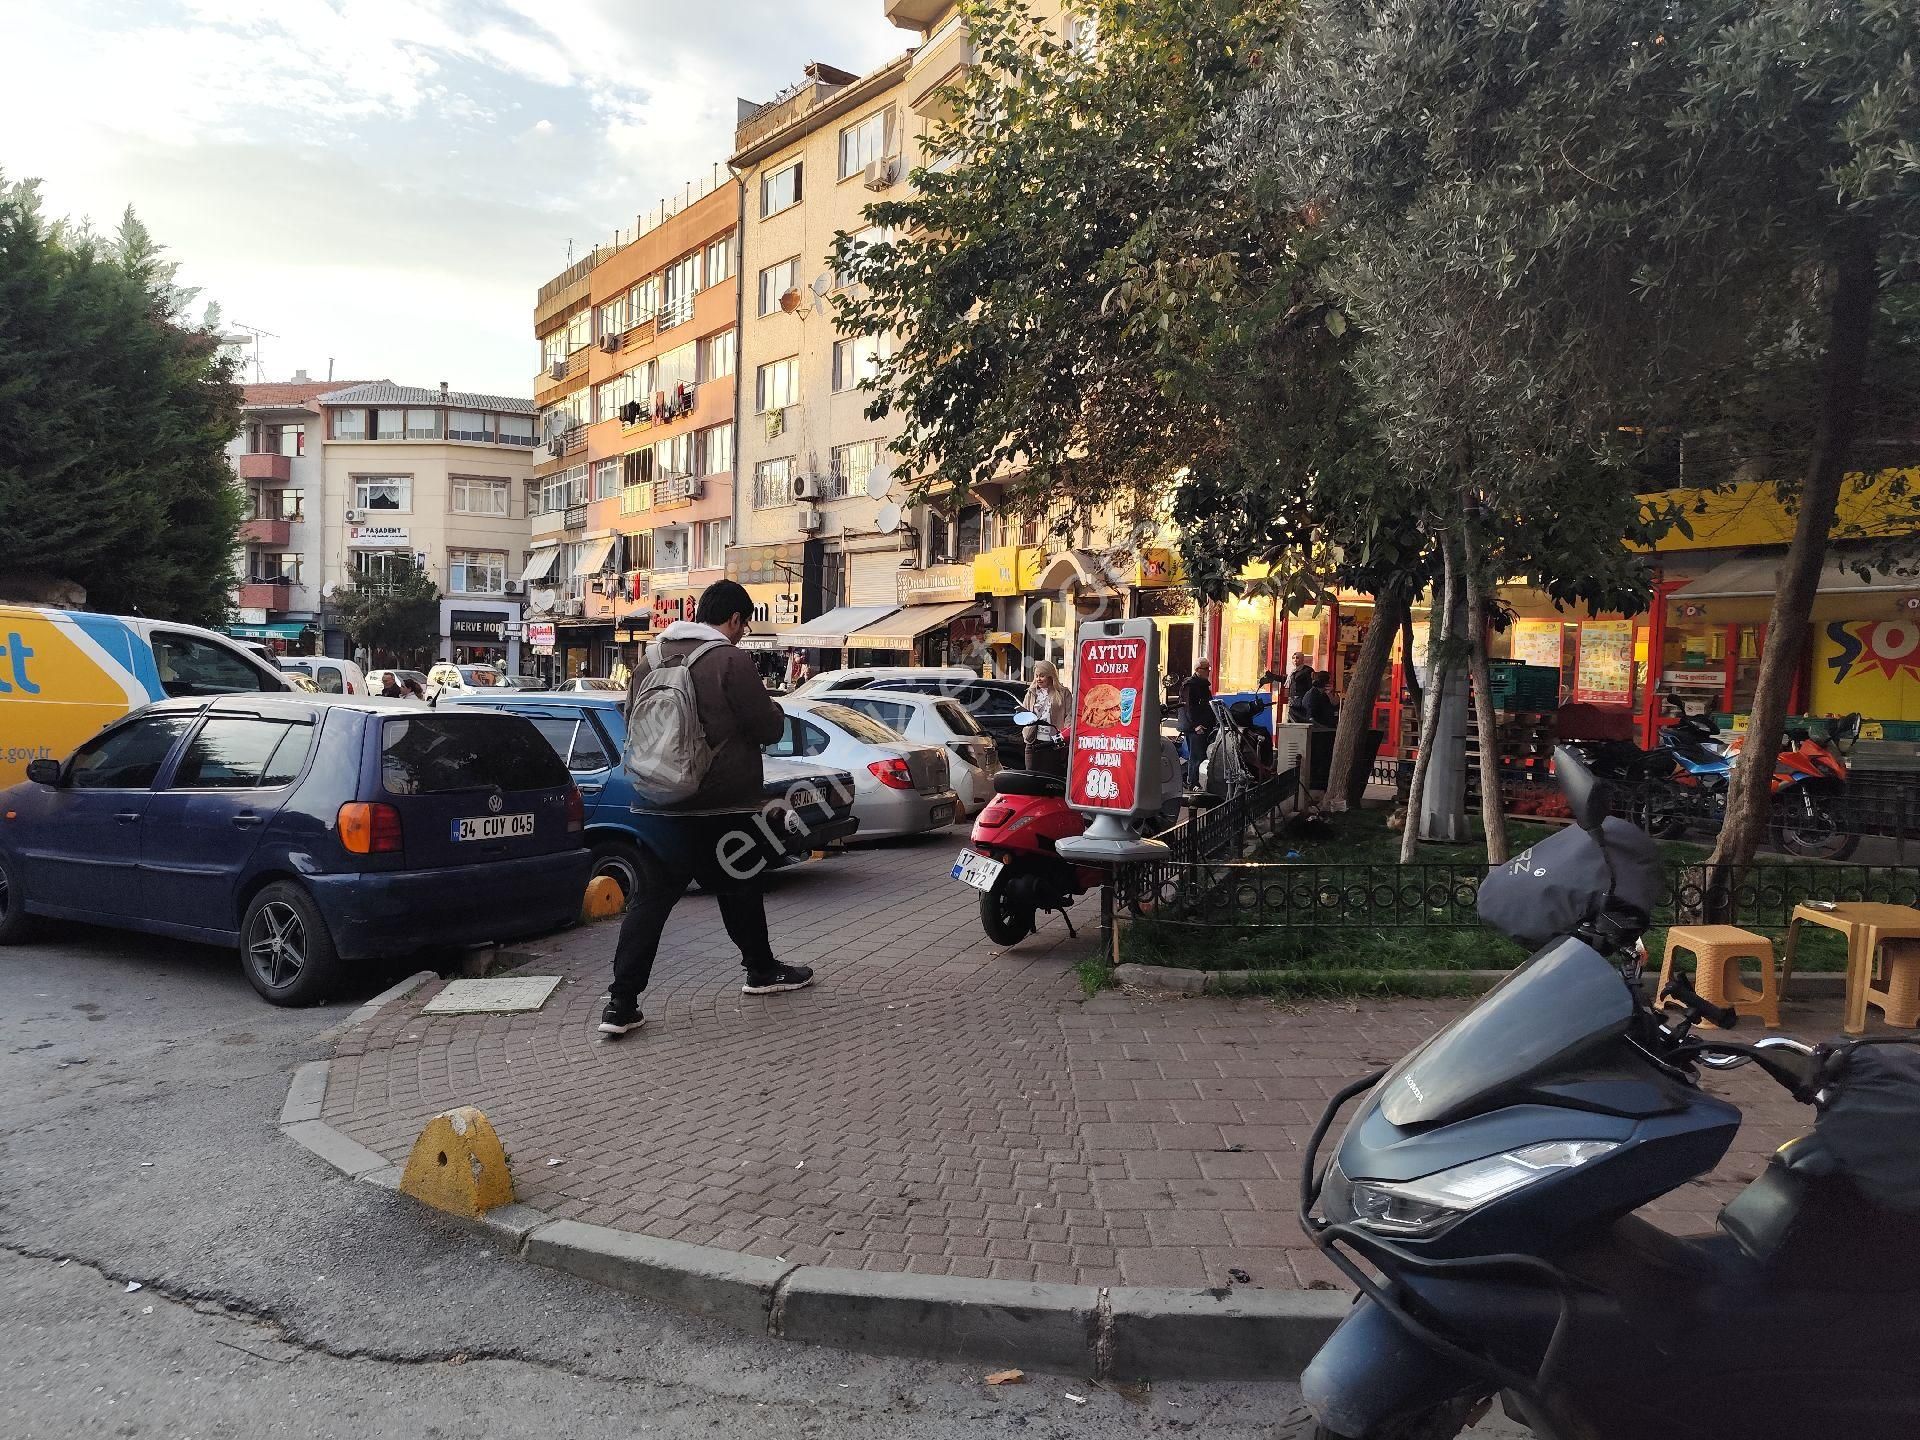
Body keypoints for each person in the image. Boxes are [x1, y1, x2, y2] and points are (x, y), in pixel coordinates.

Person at [599, 580, 811, 1038]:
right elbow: (768, 727)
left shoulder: (649, 659)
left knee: (651, 902)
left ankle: (620, 1003)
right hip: (720, 803)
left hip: (656, 804)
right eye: (743, 624)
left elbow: (634, 718)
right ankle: (760, 970)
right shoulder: (730, 660)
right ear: (734, 619)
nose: (741, 632)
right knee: (740, 883)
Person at [1021, 660, 1072, 771]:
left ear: (1050, 676)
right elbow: (1024, 713)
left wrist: (1064, 734)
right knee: (1031, 776)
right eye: (1036, 676)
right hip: (1032, 740)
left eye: (1042, 676)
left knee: (1049, 777)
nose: (1038, 679)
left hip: (1052, 742)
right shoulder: (1031, 692)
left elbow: (1069, 716)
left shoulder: (1063, 693)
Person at [1178, 661, 1214, 789]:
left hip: (1204, 725)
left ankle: (1192, 778)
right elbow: (1188, 707)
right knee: (1196, 755)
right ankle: (1192, 782)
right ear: (1198, 669)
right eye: (1206, 668)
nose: (1209, 671)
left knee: (1201, 754)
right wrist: (1195, 725)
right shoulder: (1190, 685)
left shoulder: (1203, 685)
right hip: (1194, 727)